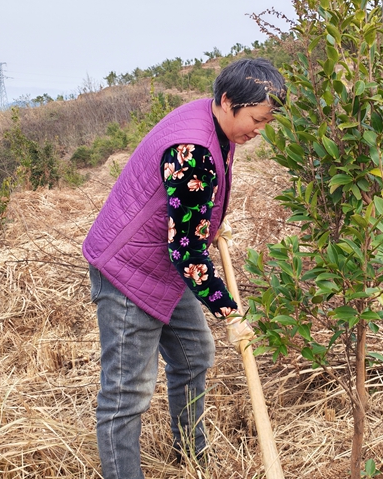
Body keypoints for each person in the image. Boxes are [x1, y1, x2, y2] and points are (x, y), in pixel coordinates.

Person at [82, 58, 286, 479]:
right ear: (228, 101)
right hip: (128, 270)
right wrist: (229, 312)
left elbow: (191, 206)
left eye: (265, 122)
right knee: (127, 394)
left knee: (194, 355)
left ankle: (191, 456)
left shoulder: (216, 123)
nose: (257, 130)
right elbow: (187, 253)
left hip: (163, 265)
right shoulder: (192, 148)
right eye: (255, 119)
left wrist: (211, 220)